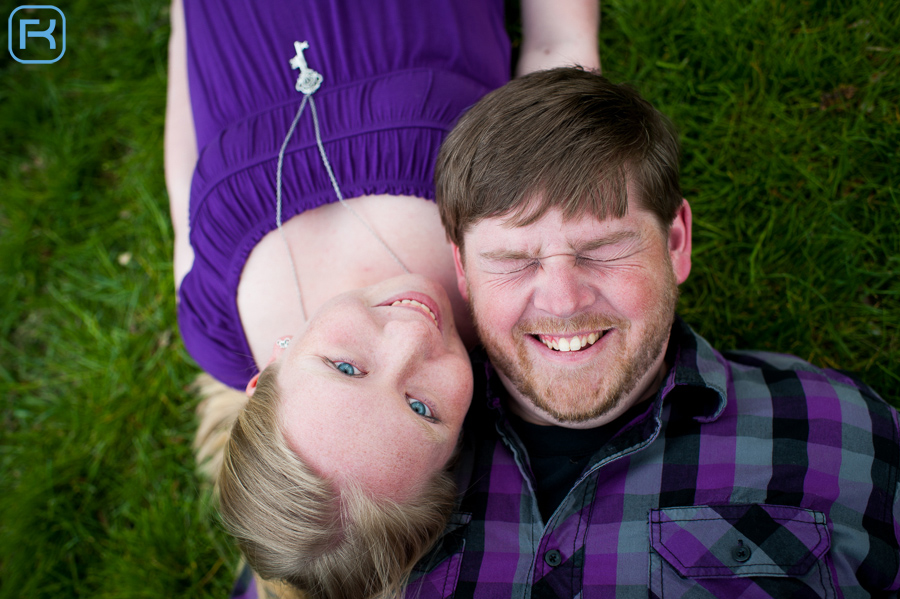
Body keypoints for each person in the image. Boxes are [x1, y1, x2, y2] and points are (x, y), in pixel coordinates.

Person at [404, 67, 900, 597]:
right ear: (463, 271)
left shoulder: (843, 434)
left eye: (603, 249)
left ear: (676, 242)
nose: (564, 300)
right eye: (513, 260)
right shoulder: (389, 460)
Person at [163, 0, 600, 597]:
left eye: (346, 367)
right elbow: (557, 48)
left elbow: (186, 155)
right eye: (422, 407)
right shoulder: (501, 268)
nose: (411, 336)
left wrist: (185, 19)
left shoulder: (216, 320)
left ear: (266, 377)